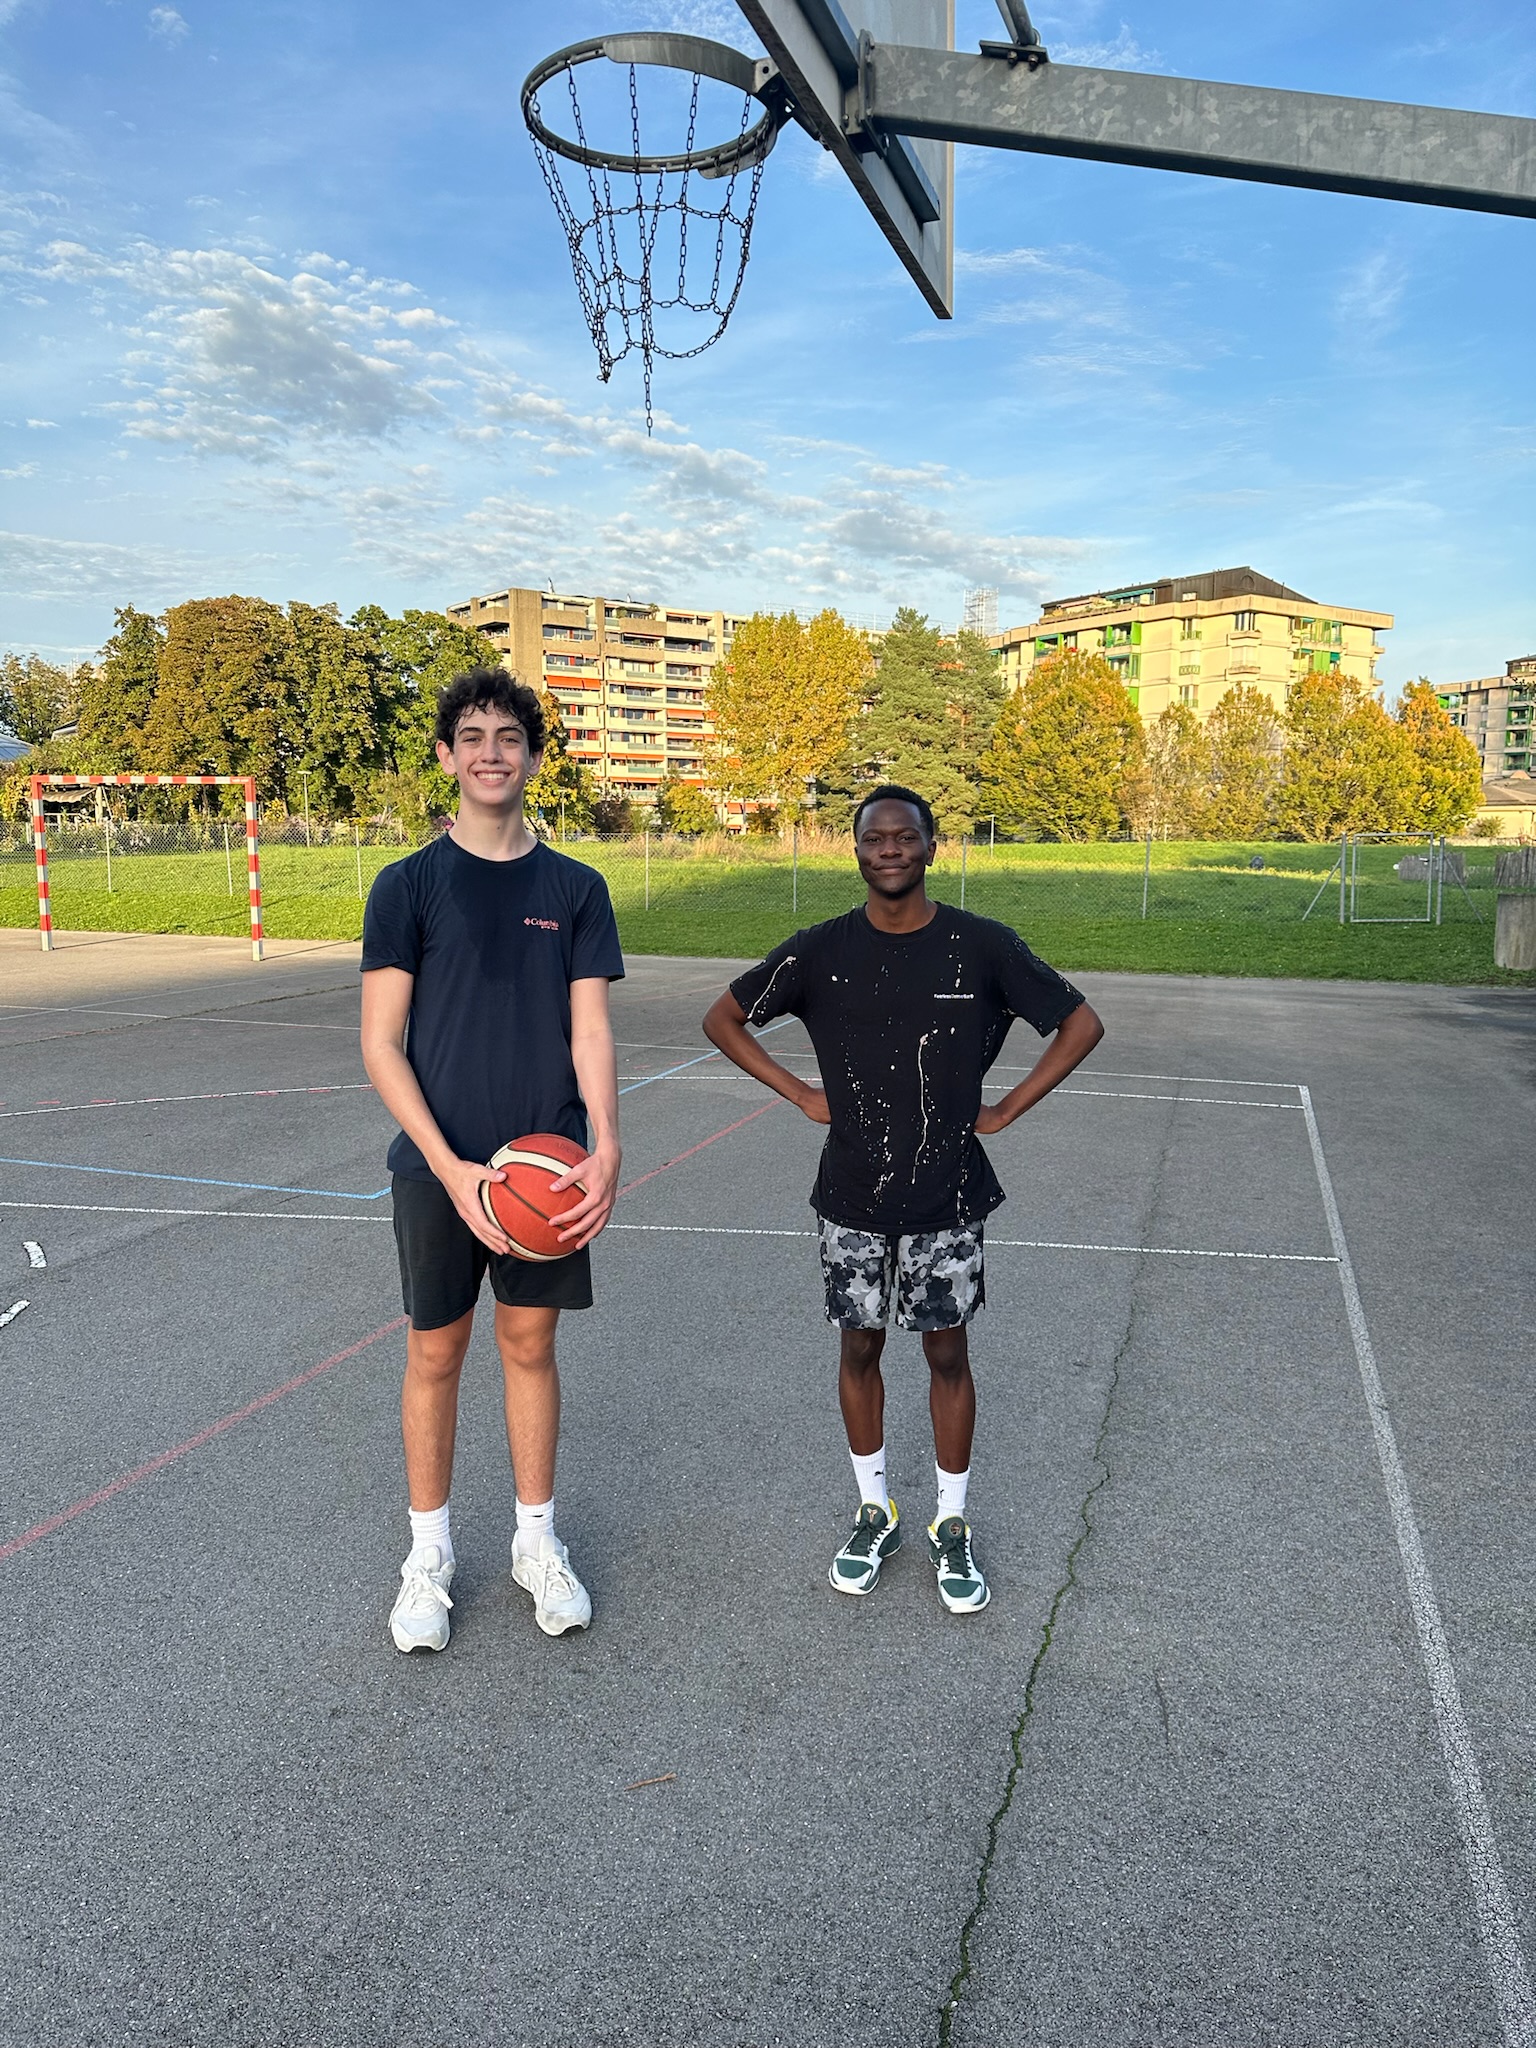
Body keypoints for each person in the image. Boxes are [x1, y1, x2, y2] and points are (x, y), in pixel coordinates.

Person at [702, 786, 1103, 1615]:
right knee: (858, 1352)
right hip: (850, 1195)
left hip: (946, 1197)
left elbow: (1079, 1023)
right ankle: (874, 1508)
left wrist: (1005, 1110)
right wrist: (798, 1092)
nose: (889, 849)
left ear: (930, 845)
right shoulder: (820, 951)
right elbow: (724, 1018)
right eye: (873, 838)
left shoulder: (981, 945)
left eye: (904, 836)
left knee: (947, 1357)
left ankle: (950, 1524)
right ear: (856, 852)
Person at [360, 667, 623, 1653]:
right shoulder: (408, 884)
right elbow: (381, 1041)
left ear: (533, 755)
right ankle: (427, 1558)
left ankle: (535, 1542)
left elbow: (590, 1031)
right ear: (445, 755)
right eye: (470, 734)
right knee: (435, 1351)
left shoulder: (576, 887)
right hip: (441, 1170)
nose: (489, 751)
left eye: (508, 735)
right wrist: (453, 1165)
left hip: (546, 1172)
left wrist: (607, 1141)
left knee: (530, 1348)